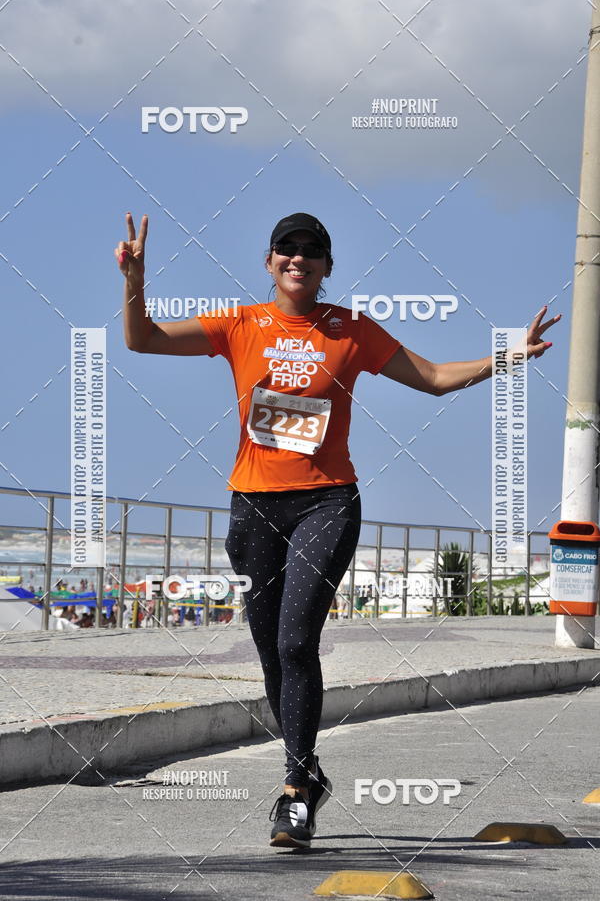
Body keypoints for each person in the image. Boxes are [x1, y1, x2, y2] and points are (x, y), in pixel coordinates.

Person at [116, 210, 559, 848]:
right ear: (269, 263)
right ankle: (311, 770)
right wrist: (135, 279)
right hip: (253, 506)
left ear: (327, 267)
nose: (298, 258)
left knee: (297, 641)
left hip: (327, 503)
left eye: (312, 250)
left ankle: (295, 791)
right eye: (286, 249)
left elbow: (433, 379)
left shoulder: (350, 331)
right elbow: (143, 341)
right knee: (270, 649)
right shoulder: (240, 324)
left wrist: (509, 357)